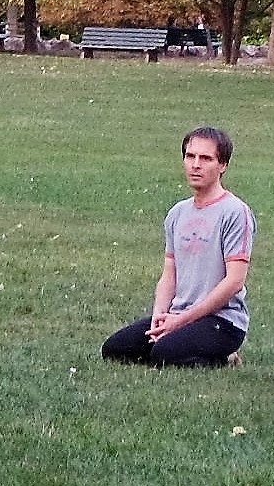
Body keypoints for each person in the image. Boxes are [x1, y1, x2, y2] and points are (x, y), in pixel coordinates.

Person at [102, 126, 254, 369]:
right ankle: (179, 342)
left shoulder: (235, 213)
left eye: (206, 158)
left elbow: (234, 281)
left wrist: (181, 321)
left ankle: (225, 357)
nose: (196, 165)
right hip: (177, 315)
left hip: (222, 321)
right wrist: (159, 318)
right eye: (190, 156)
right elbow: (169, 273)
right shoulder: (177, 213)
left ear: (222, 165)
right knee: (115, 349)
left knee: (164, 354)